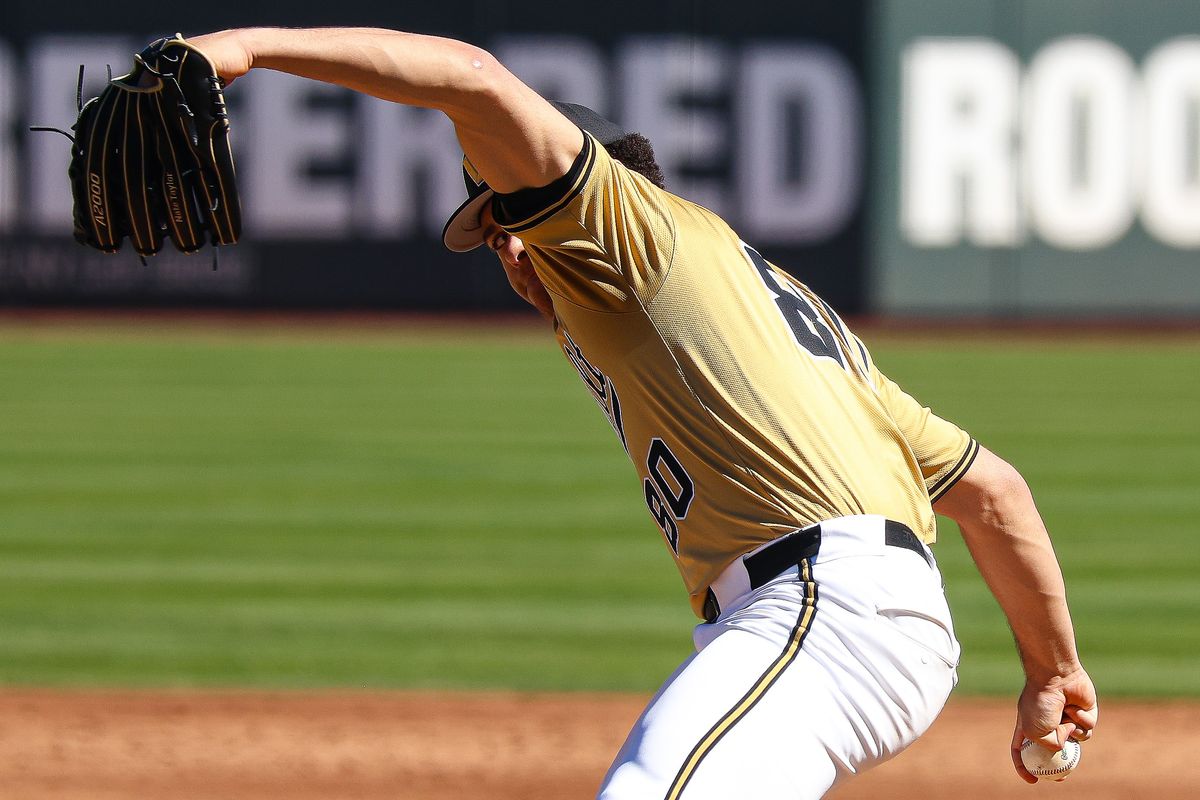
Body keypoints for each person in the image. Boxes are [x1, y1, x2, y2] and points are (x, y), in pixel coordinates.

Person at [188, 26, 1098, 798]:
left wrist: (243, 49)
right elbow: (994, 494)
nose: (505, 253)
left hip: (831, 609)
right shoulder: (758, 317)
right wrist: (1053, 671)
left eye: (507, 219)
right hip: (844, 617)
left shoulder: (629, 232)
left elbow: (470, 78)